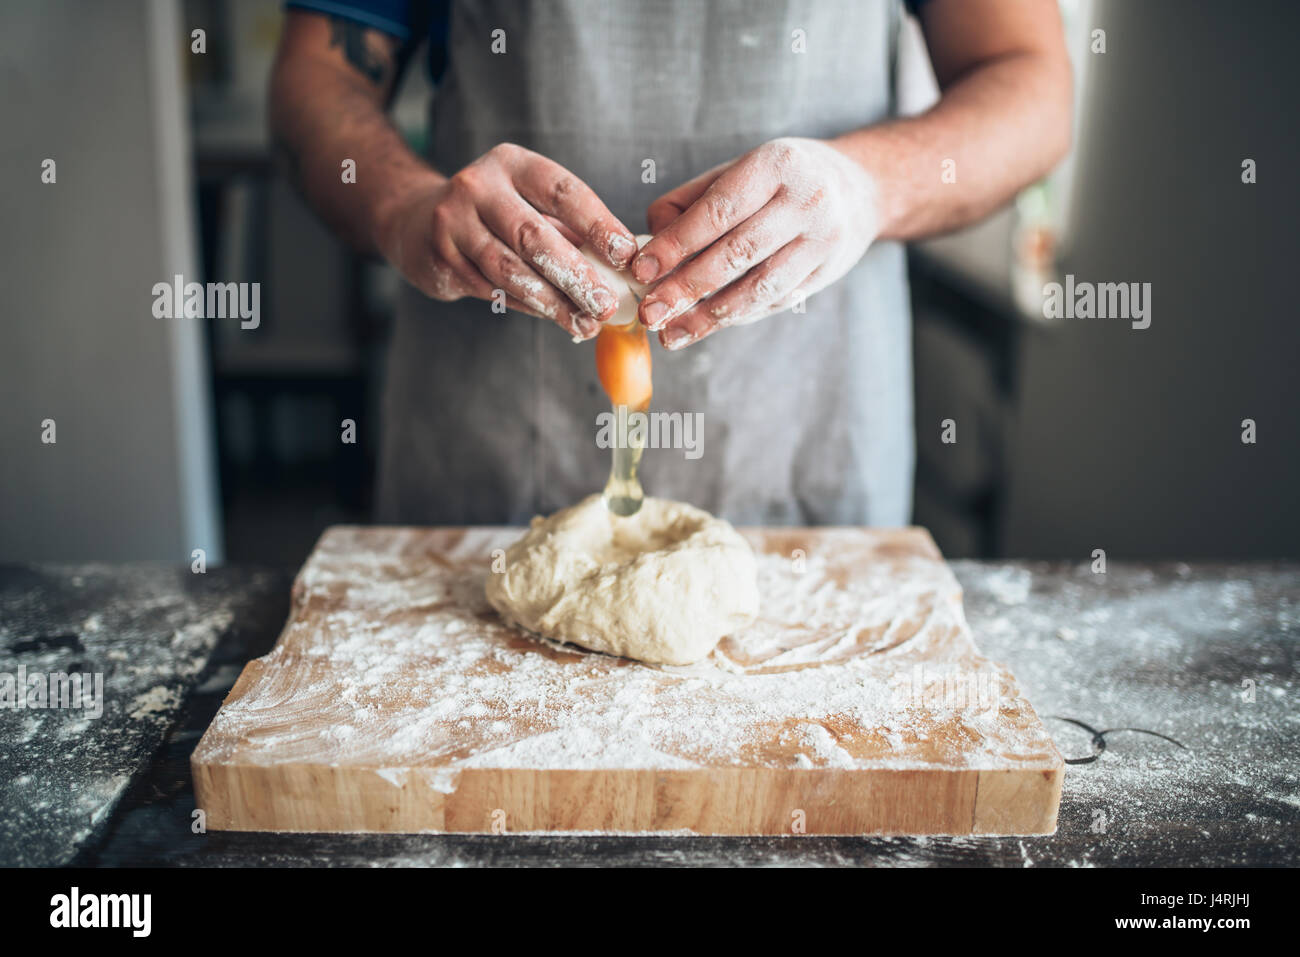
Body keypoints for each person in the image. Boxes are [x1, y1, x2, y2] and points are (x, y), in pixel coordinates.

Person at [270, 0, 1071, 526]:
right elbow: (319, 72)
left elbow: (1030, 82)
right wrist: (405, 206)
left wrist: (869, 186)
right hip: (491, 438)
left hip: (806, 428)